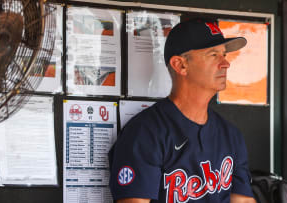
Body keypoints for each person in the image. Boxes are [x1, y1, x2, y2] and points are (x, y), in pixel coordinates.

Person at [108, 18, 256, 203]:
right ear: (180, 65)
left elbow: (242, 201)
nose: (225, 64)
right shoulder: (145, 133)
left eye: (224, 55)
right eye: (213, 55)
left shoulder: (231, 135)